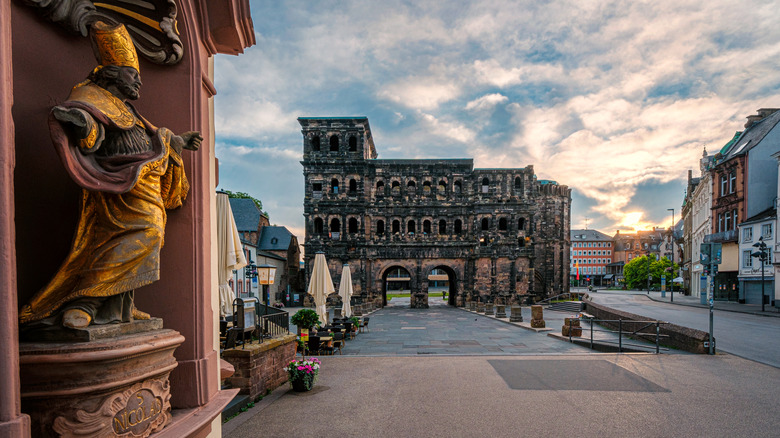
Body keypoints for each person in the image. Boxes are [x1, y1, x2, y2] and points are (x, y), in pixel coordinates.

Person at [19, 22, 201, 329]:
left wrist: (177, 141)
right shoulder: (92, 97)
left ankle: (121, 307)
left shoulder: (127, 109)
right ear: (113, 74)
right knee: (139, 235)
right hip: (116, 185)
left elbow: (156, 138)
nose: (140, 84)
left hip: (142, 183)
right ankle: (84, 303)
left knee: (151, 237)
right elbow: (91, 134)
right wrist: (79, 122)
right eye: (135, 76)